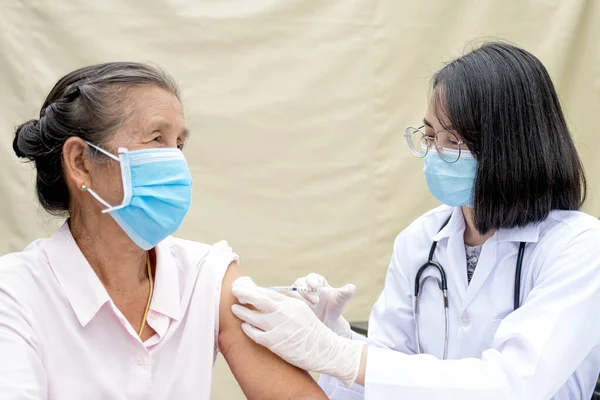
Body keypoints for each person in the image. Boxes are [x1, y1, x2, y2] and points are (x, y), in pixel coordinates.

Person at [230, 42, 600, 399]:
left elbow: (514, 385)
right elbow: (387, 376)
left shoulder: (579, 247)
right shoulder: (421, 239)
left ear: (510, 147)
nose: (435, 154)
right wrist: (336, 337)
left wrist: (342, 355)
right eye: (429, 136)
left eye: (453, 141)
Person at [0, 62, 327, 400]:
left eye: (179, 144)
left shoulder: (207, 276)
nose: (176, 162)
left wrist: (337, 354)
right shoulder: (15, 294)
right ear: (81, 162)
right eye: (157, 138)